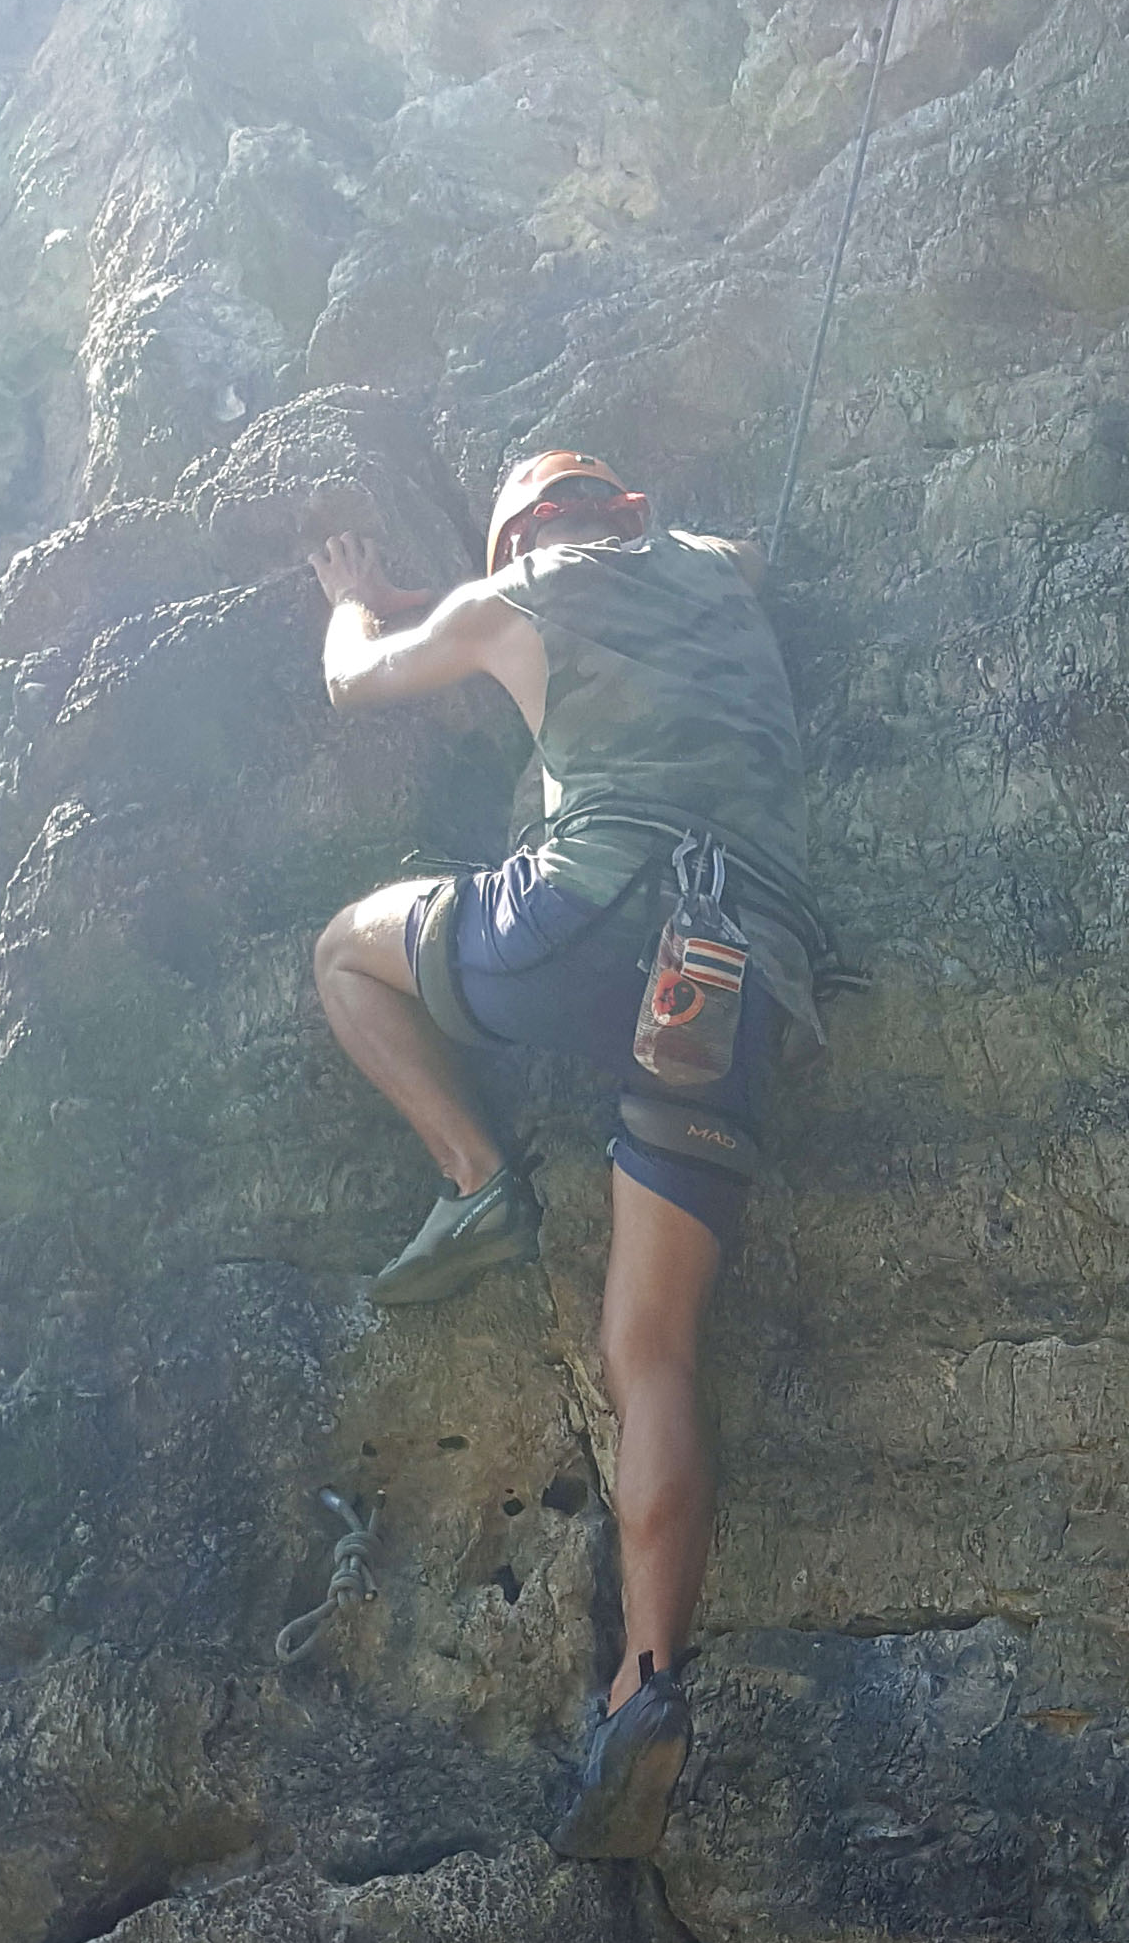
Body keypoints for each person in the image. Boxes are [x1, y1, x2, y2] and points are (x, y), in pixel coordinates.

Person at [307, 450, 819, 1862]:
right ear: (627, 511)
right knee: (649, 1346)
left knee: (346, 951)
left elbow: (358, 682)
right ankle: (645, 1686)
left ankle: (475, 1181)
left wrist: (361, 603)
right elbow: (733, 553)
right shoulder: (711, 569)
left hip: (588, 913)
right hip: (739, 970)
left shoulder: (515, 593)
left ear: (521, 537)